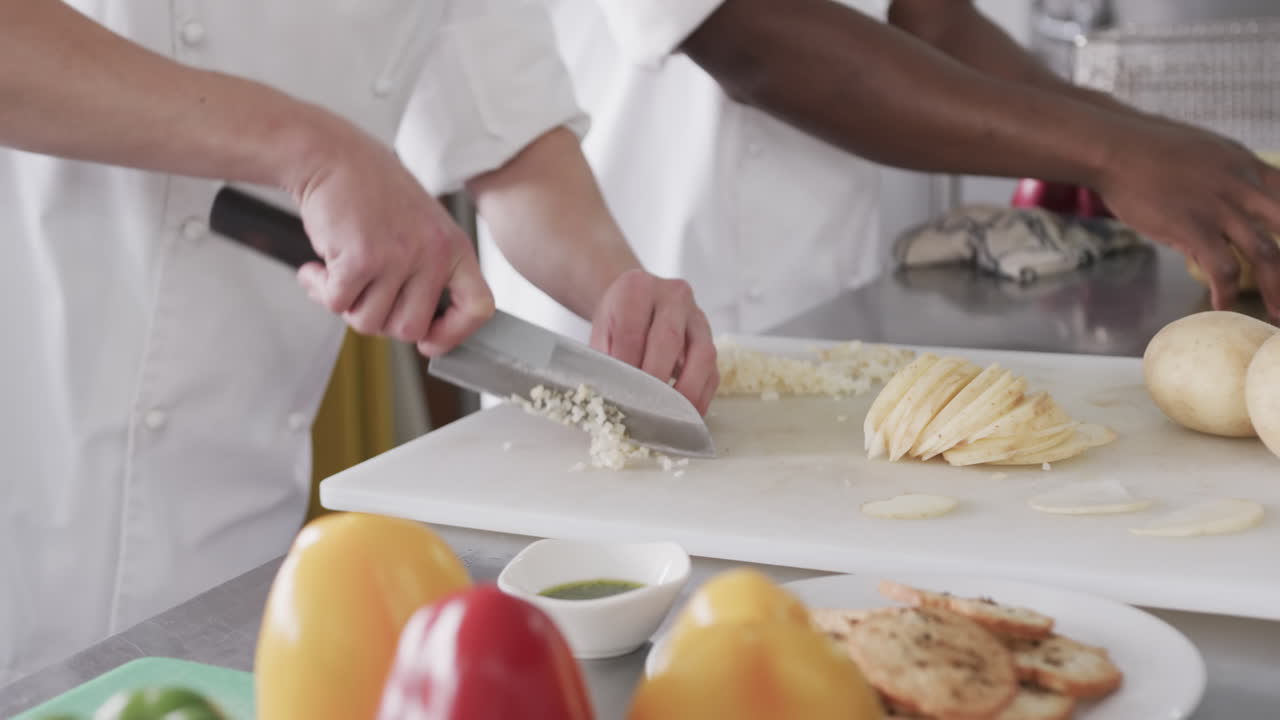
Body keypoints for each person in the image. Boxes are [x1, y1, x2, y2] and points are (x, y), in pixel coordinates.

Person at [0, 0, 717, 685]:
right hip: (29, 449)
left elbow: (512, 138)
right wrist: (311, 151)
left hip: (232, 511)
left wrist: (618, 285)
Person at [477, 0, 1280, 344]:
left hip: (829, 314)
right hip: (623, 299)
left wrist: (1179, 158)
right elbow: (751, 39)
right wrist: (1115, 154)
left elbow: (931, 23)